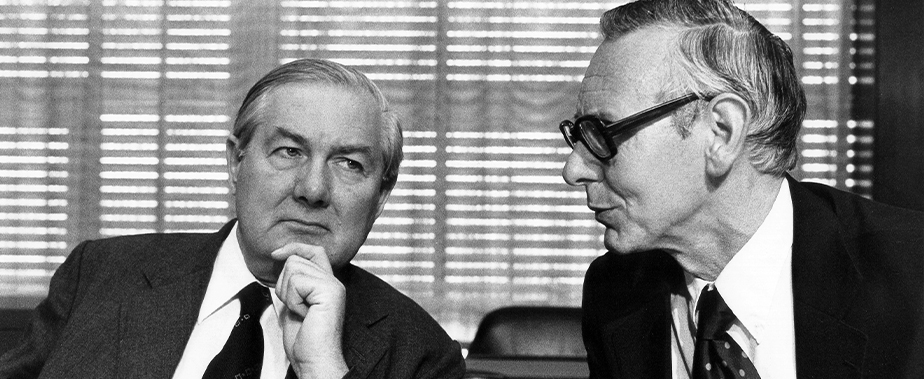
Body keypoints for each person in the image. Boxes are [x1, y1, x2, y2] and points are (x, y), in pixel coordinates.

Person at [0, 58, 465, 379]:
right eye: (289, 151)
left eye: (349, 163)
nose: (312, 189)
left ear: (380, 195)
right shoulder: (100, 274)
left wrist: (323, 369)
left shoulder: (421, 354)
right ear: (236, 161)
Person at [559, 1, 924, 378]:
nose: (573, 170)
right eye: (577, 137)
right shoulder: (614, 293)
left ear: (722, 132)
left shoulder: (913, 279)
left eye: (602, 133)